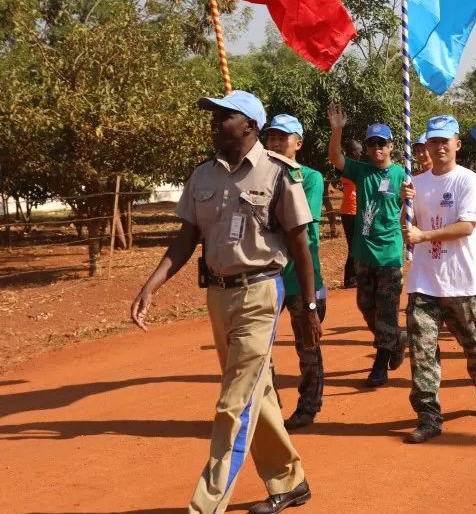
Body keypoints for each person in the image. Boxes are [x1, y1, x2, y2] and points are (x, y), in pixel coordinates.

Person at [130, 91, 317, 514]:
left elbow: (300, 244)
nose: (214, 121)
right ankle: (291, 481)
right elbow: (185, 239)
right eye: (213, 115)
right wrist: (151, 285)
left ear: (249, 125)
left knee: (233, 404)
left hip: (260, 294)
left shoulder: (278, 173)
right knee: (256, 392)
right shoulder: (203, 176)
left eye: (224, 115)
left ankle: (206, 506)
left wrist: (308, 308)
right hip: (217, 296)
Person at [398, 115, 476, 444]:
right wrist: (405, 203)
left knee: (475, 347)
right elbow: (407, 226)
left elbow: (467, 226)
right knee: (422, 350)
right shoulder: (417, 182)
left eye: (445, 140)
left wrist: (423, 235)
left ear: (457, 144)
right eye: (433, 141)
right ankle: (428, 416)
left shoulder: (467, 180)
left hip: (461, 283)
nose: (439, 146)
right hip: (424, 282)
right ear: (425, 144)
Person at [327, 105, 407, 387]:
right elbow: (335, 157)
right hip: (363, 252)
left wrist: (410, 195)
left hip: (388, 255)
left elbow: (416, 202)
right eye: (371, 143)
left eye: (381, 144)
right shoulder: (361, 171)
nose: (376, 149)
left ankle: (380, 364)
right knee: (364, 305)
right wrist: (337, 130)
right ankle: (396, 338)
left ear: (391, 146)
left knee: (386, 310)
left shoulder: (401, 174)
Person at [265, 114, 327, 432]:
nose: (275, 143)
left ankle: (308, 406)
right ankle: (268, 407)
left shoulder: (311, 178)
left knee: (307, 346)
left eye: (282, 138)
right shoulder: (256, 176)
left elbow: (300, 225)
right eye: (271, 137)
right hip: (265, 278)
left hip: (301, 277)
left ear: (297, 143)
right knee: (259, 347)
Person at [338, 139, 361, 288]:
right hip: (349, 211)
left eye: (359, 150)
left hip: (356, 210)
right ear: (350, 152)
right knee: (353, 246)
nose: (359, 153)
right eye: (355, 151)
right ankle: (350, 279)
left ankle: (354, 277)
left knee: (356, 245)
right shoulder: (347, 168)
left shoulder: (357, 167)